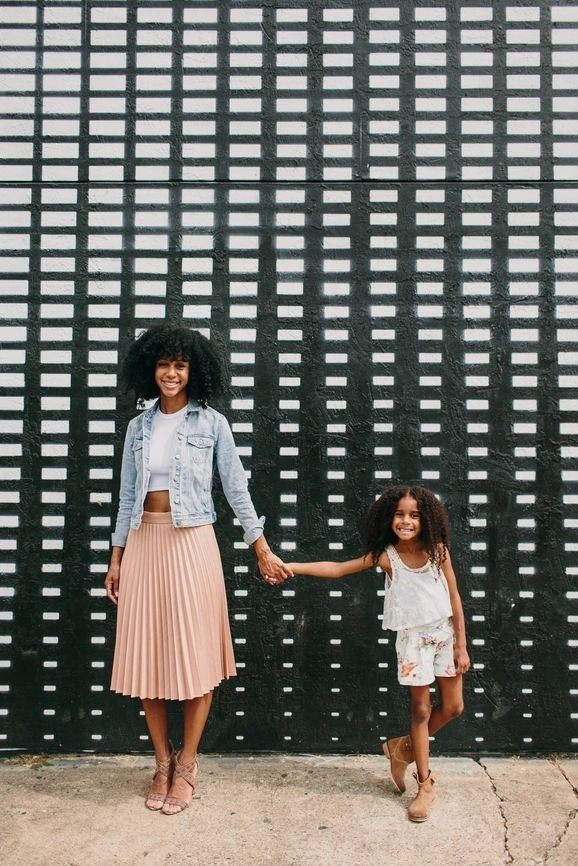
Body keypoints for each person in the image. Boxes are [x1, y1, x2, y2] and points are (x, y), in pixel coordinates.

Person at [104, 323, 290, 815]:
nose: (171, 372)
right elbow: (127, 496)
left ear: (193, 371)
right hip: (145, 542)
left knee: (194, 655)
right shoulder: (137, 427)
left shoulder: (212, 424)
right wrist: (116, 556)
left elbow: (236, 490)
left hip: (192, 544)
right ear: (151, 369)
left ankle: (188, 763)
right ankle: (161, 761)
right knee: (148, 657)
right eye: (163, 364)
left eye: (180, 364)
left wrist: (262, 548)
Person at [286, 484, 470, 822]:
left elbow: (455, 597)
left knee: (454, 707)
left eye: (414, 515)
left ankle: (402, 748)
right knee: (421, 710)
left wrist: (461, 643)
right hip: (413, 642)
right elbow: (338, 568)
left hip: (445, 636)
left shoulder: (439, 551)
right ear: (389, 518)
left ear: (426, 519)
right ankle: (425, 784)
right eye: (400, 514)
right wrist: (292, 566)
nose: (406, 520)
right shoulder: (387, 557)